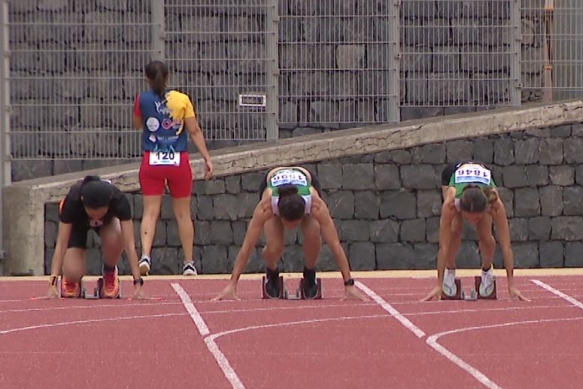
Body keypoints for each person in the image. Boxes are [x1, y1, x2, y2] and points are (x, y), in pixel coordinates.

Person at [213, 166, 368, 301]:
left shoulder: (315, 205)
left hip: (307, 180)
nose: (292, 229)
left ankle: (309, 275)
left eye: (296, 224)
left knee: (314, 236)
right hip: (272, 182)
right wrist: (232, 284)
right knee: (275, 247)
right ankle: (272, 272)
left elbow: (335, 245)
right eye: (288, 224)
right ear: (278, 213)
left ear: (304, 214)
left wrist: (349, 284)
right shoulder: (266, 206)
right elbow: (247, 247)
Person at [133, 60, 214, 277]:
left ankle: (145, 256)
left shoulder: (142, 99)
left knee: (150, 211)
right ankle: (188, 263)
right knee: (183, 213)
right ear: (168, 77)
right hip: (178, 160)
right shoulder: (182, 99)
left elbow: (138, 124)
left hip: (152, 160)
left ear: (147, 78)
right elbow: (194, 131)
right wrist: (207, 158)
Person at [423, 161, 529, 302]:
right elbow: (443, 245)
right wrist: (438, 284)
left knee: (484, 235)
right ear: (460, 208)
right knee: (455, 230)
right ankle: (450, 272)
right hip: (452, 173)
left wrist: (511, 285)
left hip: (481, 181)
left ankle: (486, 271)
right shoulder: (451, 203)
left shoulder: (494, 204)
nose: (472, 222)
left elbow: (506, 246)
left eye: (477, 218)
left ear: (485, 209)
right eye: (468, 218)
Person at [43, 176, 146, 300]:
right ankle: (71, 279)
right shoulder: (72, 200)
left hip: (108, 224)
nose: (96, 218)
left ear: (109, 201)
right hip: (77, 224)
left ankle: (109, 271)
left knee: (117, 235)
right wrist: (52, 283)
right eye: (92, 214)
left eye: (100, 214)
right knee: (73, 272)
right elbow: (61, 244)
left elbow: (130, 245)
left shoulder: (119, 200)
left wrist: (138, 284)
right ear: (83, 201)